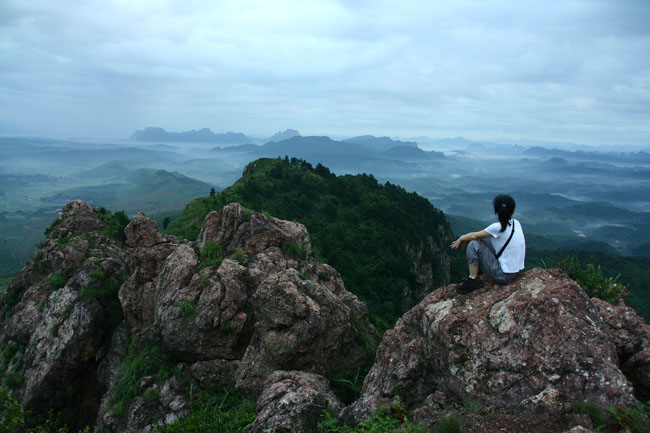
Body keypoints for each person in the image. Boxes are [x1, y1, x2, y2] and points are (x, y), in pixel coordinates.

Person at [450, 194, 525, 294]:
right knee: (483, 239)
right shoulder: (516, 223)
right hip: (516, 272)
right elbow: (479, 236)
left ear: (495, 210)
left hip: (503, 276)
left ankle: (473, 280)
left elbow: (474, 236)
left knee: (473, 244)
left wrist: (462, 238)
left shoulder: (496, 227)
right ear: (513, 211)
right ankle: (477, 270)